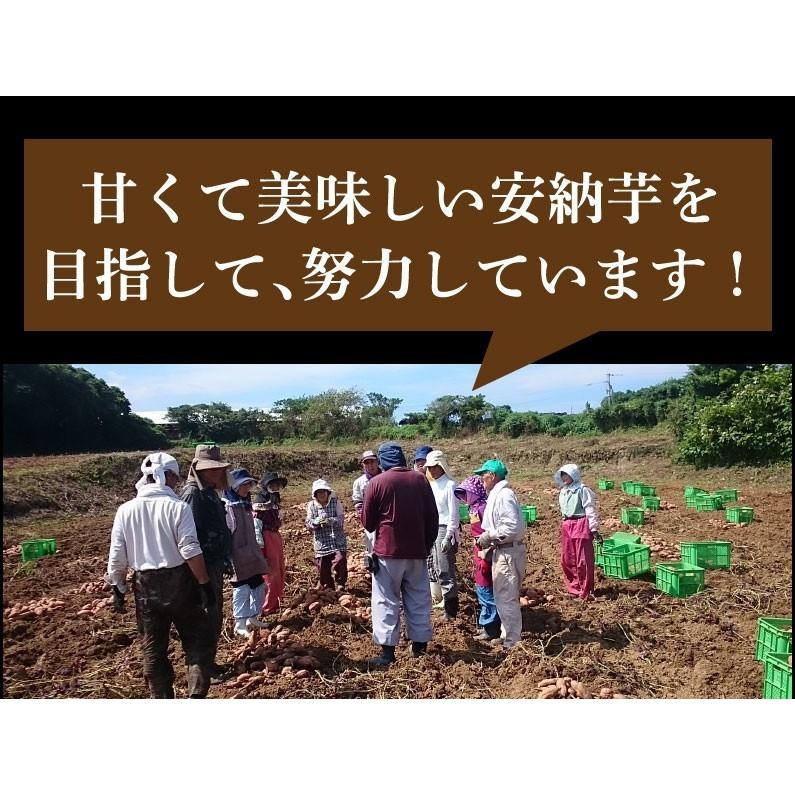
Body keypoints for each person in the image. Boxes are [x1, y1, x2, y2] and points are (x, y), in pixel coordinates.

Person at [106, 452, 216, 698]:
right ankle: (196, 693)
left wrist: (118, 587)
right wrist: (204, 583)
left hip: (146, 587)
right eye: (175, 477)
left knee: (153, 650)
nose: (176, 482)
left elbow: (117, 555)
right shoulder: (178, 507)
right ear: (165, 476)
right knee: (195, 641)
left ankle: (161, 698)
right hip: (180, 581)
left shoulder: (125, 510)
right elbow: (189, 548)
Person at [361, 442, 439, 667]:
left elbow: (367, 521)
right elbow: (432, 518)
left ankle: (387, 653)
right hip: (416, 552)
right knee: (418, 598)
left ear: (383, 462)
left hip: (387, 553)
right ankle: (419, 647)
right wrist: (425, 545)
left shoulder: (376, 483)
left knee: (386, 600)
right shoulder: (420, 480)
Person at [181, 443, 233, 682]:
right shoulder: (193, 494)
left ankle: (209, 664)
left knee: (214, 616)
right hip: (203, 565)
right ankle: (202, 671)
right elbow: (190, 536)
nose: (215, 473)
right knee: (204, 618)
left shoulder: (209, 491)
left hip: (214, 563)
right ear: (197, 469)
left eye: (217, 469)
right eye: (209, 469)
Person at [474, 459, 526, 650]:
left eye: (484, 474)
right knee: (504, 596)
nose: (481, 478)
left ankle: (512, 642)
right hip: (504, 549)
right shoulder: (499, 494)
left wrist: (490, 535)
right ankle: (506, 635)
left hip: (508, 552)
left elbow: (511, 526)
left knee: (507, 597)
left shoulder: (504, 495)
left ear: (493, 475)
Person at [222, 468, 270, 637]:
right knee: (241, 588)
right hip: (237, 553)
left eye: (249, 484)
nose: (247, 488)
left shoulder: (246, 504)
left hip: (251, 550)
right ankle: (240, 623)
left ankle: (252, 616)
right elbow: (227, 533)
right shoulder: (227, 506)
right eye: (244, 484)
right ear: (234, 486)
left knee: (258, 584)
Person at [454, 476, 500, 641]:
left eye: (466, 493)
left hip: (485, 551)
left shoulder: (482, 508)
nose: (464, 497)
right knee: (482, 586)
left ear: (474, 493)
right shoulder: (474, 508)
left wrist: (485, 553)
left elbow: (487, 532)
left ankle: (491, 627)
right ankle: (487, 625)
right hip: (478, 549)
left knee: (486, 588)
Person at [554, 463, 602, 600]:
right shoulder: (563, 491)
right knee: (567, 558)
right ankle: (574, 588)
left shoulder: (582, 490)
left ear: (573, 475)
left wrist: (594, 528)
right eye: (562, 475)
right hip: (567, 525)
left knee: (583, 560)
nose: (564, 477)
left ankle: (586, 590)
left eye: (566, 475)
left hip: (581, 523)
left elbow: (590, 509)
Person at [424, 450, 461, 620]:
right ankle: (445, 603)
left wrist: (449, 536)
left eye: (433, 467)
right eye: (428, 467)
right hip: (432, 528)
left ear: (441, 466)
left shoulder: (450, 485)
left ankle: (451, 611)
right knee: (436, 567)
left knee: (446, 570)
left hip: (445, 528)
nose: (430, 470)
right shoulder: (429, 485)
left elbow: (454, 515)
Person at [253, 472, 288, 616]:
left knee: (279, 569)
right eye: (271, 484)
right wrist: (260, 543)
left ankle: (276, 602)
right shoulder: (260, 501)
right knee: (270, 572)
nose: (274, 487)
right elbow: (256, 523)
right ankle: (266, 607)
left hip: (275, 536)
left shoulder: (274, 500)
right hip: (266, 537)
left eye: (276, 485)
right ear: (266, 486)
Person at [305, 478, 348, 589]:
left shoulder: (335, 502)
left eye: (323, 491)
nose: (321, 494)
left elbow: (341, 519)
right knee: (323, 565)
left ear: (328, 492)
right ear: (315, 494)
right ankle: (327, 587)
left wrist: (332, 520)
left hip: (336, 539)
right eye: (319, 492)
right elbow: (308, 522)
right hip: (321, 540)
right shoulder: (312, 505)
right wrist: (316, 522)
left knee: (340, 560)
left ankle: (340, 584)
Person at [352, 450, 381, 553]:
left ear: (377, 462)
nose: (370, 465)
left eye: (372, 462)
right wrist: (364, 517)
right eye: (367, 463)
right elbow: (358, 502)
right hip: (370, 519)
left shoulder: (386, 477)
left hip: (386, 516)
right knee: (372, 546)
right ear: (363, 465)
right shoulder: (359, 482)